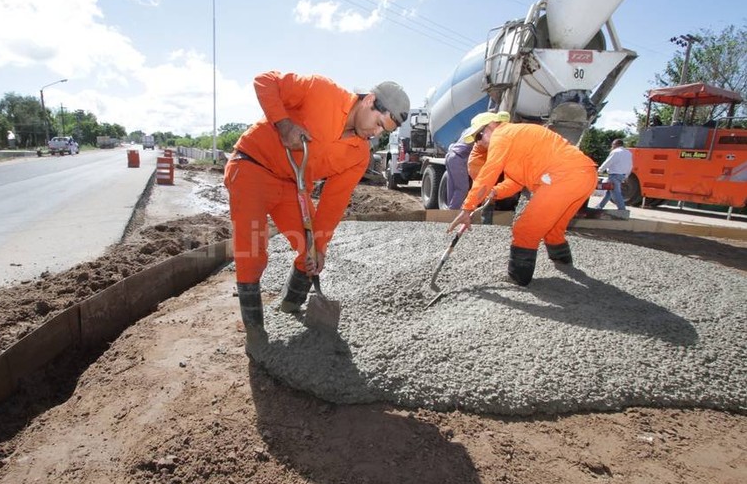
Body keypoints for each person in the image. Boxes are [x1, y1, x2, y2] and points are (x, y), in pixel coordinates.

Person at [224, 71, 409, 351]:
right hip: (252, 166)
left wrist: (319, 247)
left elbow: (333, 203)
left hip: (292, 185)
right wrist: (284, 124)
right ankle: (255, 332)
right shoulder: (321, 92)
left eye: (385, 132)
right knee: (251, 252)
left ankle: (290, 305)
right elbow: (265, 81)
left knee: (310, 251)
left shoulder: (358, 155)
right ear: (370, 100)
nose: (376, 133)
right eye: (379, 124)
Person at [447, 111, 597, 286]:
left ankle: (517, 278)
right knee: (553, 229)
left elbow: (488, 173)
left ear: (491, 126)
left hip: (563, 178)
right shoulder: (516, 138)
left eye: (479, 135)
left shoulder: (502, 135)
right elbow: (516, 182)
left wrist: (468, 208)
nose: (479, 142)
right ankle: (565, 265)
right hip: (585, 175)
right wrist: (495, 192)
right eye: (476, 140)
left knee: (524, 230)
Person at [596, 138, 633, 211]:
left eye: (612, 144)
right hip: (622, 175)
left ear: (616, 144)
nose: (612, 146)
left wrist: (599, 170)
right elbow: (630, 165)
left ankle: (622, 210)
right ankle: (600, 206)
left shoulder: (615, 152)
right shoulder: (628, 153)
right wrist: (626, 175)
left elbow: (608, 162)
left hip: (614, 175)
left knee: (616, 193)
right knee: (610, 192)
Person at [443, 139, 473, 209]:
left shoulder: (470, 130)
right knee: (462, 188)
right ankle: (453, 211)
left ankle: (450, 211)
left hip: (451, 154)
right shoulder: (484, 133)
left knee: (452, 187)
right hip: (458, 157)